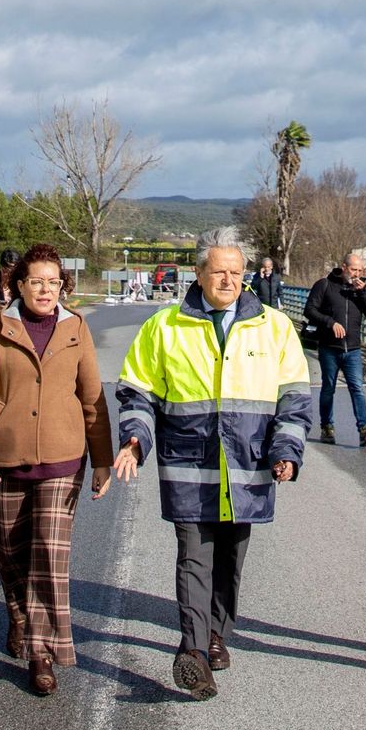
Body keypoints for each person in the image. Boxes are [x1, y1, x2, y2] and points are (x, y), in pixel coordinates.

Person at [114, 226, 312, 700]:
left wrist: (286, 451)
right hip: (189, 465)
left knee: (230, 559)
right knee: (194, 557)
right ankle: (194, 651)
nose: (227, 280)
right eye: (218, 271)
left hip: (247, 467)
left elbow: (294, 399)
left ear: (245, 276)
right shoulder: (164, 326)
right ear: (198, 273)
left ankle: (218, 633)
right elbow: (138, 392)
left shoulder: (274, 326)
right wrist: (135, 440)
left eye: (236, 272)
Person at [0, 243, 114, 696]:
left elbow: (93, 398)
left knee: (49, 554)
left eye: (53, 282)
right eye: (36, 282)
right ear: (19, 285)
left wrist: (102, 459)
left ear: (62, 285)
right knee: (12, 551)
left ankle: (42, 653)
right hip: (5, 457)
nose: (45, 290)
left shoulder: (76, 328)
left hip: (63, 458)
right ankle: (18, 615)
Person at [304, 252, 366, 447]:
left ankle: (364, 429)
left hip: (353, 348)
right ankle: (327, 427)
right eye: (353, 269)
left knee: (357, 388)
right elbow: (309, 309)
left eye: (360, 270)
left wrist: (363, 292)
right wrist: (330, 322)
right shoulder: (325, 285)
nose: (357, 274)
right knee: (328, 388)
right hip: (329, 347)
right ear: (344, 267)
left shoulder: (360, 289)